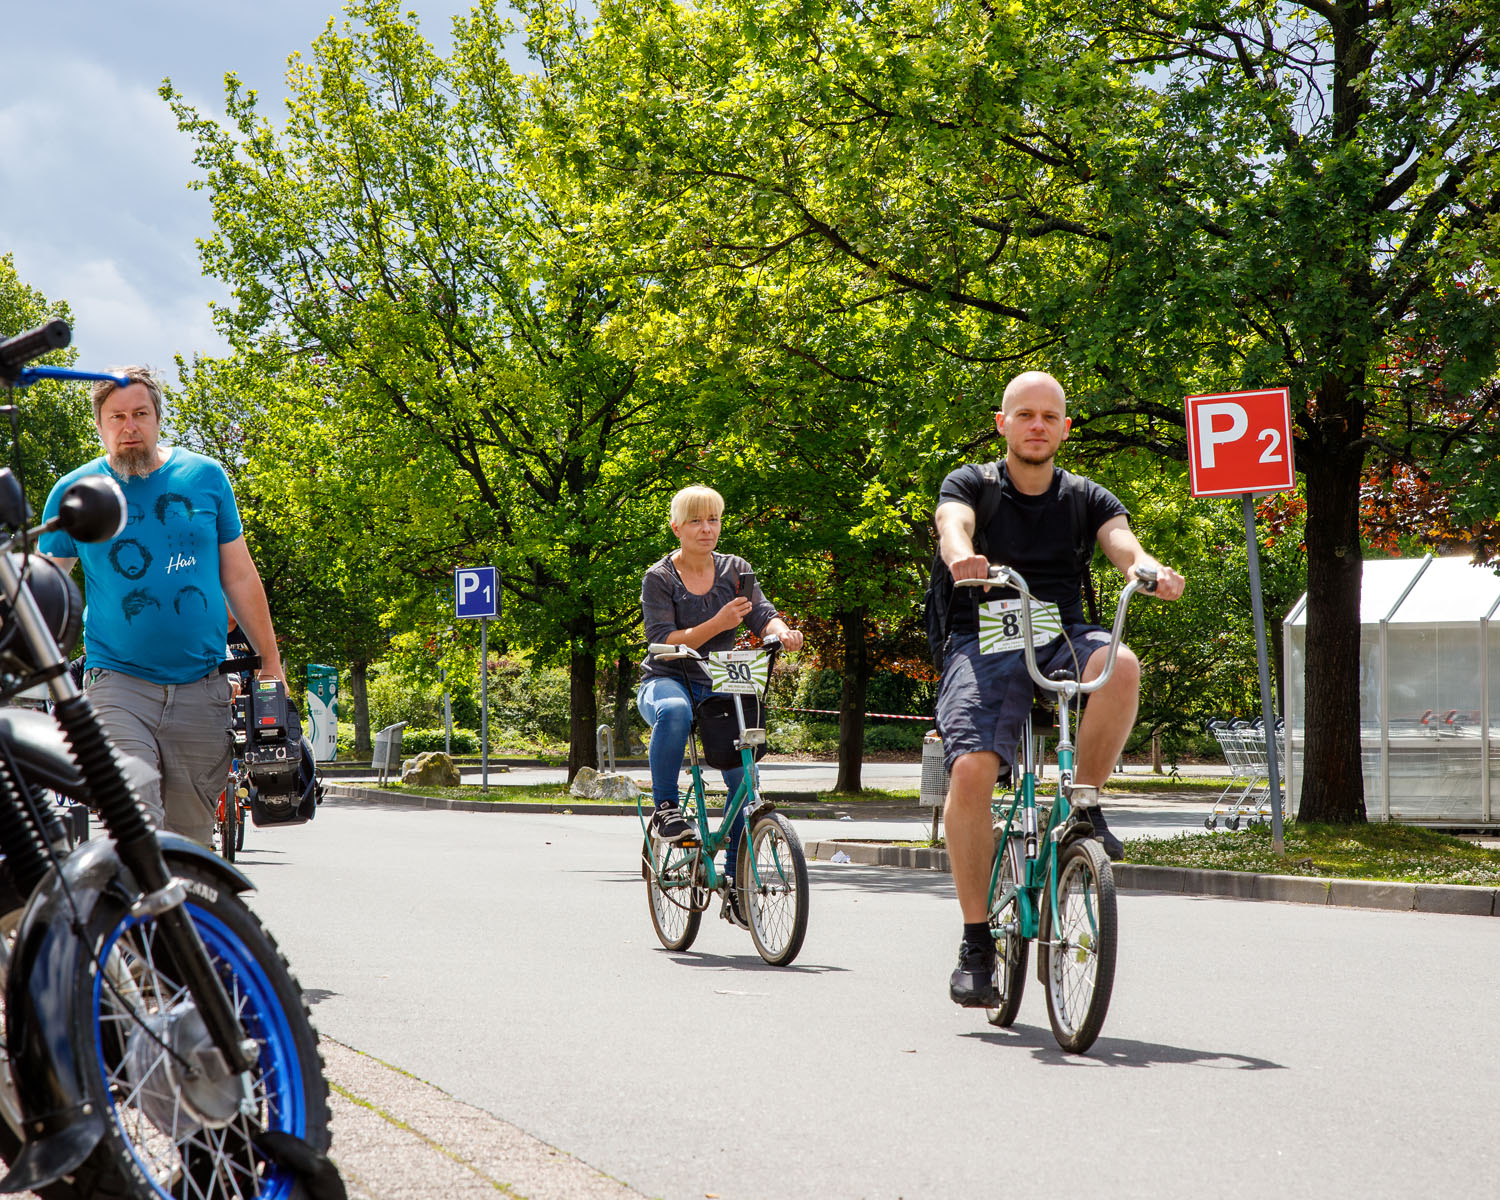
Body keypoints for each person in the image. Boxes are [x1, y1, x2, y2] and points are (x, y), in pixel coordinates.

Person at [934, 370, 1185, 1007]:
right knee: (971, 770)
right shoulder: (973, 483)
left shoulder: (1085, 497)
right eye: (1025, 415)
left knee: (1121, 663)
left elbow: (1123, 544)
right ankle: (975, 943)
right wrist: (962, 553)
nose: (1037, 425)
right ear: (1003, 423)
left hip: (1059, 629)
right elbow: (952, 523)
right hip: (984, 633)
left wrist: (1147, 568)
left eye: (1049, 416)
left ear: (1065, 428)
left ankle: (1086, 805)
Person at [40, 366, 285, 844]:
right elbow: (41, 586)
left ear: (157, 418)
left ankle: (184, 919)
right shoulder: (76, 493)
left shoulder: (205, 477)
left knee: (191, 838)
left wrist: (272, 664)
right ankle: (134, 916)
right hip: (117, 682)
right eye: (117, 417)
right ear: (99, 424)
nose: (129, 426)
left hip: (204, 686)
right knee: (134, 819)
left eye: (140, 414)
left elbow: (238, 574)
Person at [637, 486, 803, 927]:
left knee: (743, 782)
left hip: (719, 683)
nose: (706, 528)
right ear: (677, 528)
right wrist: (717, 623)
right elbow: (663, 639)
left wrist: (781, 629)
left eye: (713, 519)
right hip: (667, 677)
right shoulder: (659, 577)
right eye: (695, 521)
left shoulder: (736, 570)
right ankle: (666, 808)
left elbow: (760, 611)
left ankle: (735, 884)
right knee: (674, 713)